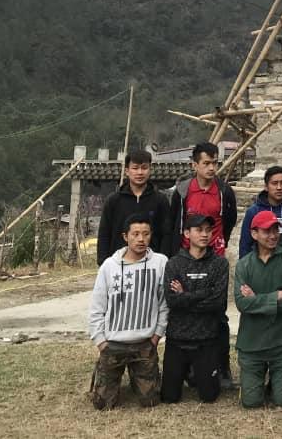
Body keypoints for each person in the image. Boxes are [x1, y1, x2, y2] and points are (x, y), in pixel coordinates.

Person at [167, 141, 239, 388]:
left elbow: (229, 219)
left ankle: (223, 365)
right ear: (194, 164)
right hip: (187, 257)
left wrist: (219, 244)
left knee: (217, 314)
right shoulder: (183, 191)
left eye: (215, 163)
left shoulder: (224, 191)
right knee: (184, 308)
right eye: (206, 163)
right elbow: (174, 221)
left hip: (214, 259)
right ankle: (185, 365)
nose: (211, 168)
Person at [88, 213, 169, 410]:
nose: (141, 239)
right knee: (103, 404)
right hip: (113, 343)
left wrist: (156, 336)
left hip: (144, 343)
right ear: (125, 236)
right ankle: (103, 375)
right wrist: (101, 341)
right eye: (135, 234)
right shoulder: (109, 266)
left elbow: (164, 304)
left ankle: (139, 377)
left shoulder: (160, 263)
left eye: (146, 234)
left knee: (149, 401)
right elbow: (97, 306)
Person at [233, 210, 282, 409]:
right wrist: (276, 296)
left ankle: (279, 380)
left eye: (275, 230)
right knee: (251, 402)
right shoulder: (243, 265)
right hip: (251, 343)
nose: (273, 235)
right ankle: (258, 382)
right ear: (254, 234)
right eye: (266, 231)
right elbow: (241, 304)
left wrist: (257, 299)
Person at [160, 214, 229, 404]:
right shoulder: (174, 263)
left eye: (208, 230)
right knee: (169, 397)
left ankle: (197, 374)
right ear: (187, 233)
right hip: (178, 337)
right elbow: (172, 301)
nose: (205, 234)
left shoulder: (219, 263)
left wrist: (185, 295)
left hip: (207, 338)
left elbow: (217, 302)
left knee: (209, 396)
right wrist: (204, 292)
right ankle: (187, 373)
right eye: (199, 230)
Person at [97, 149, 171, 264]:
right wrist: (103, 261)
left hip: (152, 264)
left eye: (144, 168)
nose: (140, 172)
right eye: (135, 168)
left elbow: (166, 235)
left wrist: (164, 261)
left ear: (150, 170)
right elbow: (104, 233)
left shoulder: (160, 200)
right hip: (119, 264)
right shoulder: (114, 201)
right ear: (127, 171)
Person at [239, 165, 282, 267]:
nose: (279, 188)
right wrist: (245, 270)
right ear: (266, 186)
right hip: (260, 268)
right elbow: (245, 244)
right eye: (274, 183)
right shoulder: (254, 212)